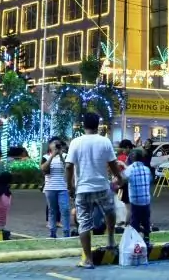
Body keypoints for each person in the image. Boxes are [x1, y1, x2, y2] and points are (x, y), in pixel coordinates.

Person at [66, 112, 124, 270]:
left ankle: (88, 260)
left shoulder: (76, 142)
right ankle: (111, 239)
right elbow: (112, 163)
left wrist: (70, 186)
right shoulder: (104, 141)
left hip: (82, 189)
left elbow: (69, 166)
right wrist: (118, 177)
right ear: (98, 125)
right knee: (110, 211)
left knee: (84, 223)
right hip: (101, 186)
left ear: (83, 125)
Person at [41, 137, 70, 238]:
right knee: (52, 210)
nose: (56, 145)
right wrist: (52, 156)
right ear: (50, 146)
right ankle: (52, 233)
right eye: (54, 143)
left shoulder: (66, 156)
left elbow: (68, 168)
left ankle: (67, 234)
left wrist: (61, 155)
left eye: (58, 144)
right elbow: (44, 169)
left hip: (63, 187)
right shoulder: (45, 157)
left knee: (65, 209)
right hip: (50, 188)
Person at [123, 147, 153, 243]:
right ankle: (147, 238)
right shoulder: (147, 169)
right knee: (146, 221)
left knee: (134, 222)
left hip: (135, 201)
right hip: (146, 200)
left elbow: (122, 180)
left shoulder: (129, 169)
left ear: (132, 158)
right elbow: (150, 180)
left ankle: (135, 241)